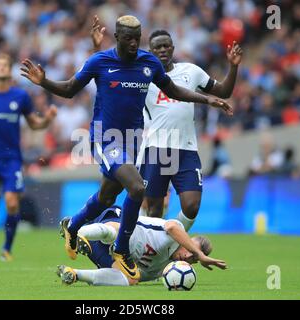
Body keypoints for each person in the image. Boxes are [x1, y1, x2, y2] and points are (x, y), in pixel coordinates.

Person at [20, 15, 232, 280]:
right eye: (128, 38)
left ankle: (73, 226)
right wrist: (44, 81)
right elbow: (70, 89)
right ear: (117, 38)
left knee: (107, 197)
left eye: (137, 38)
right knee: (137, 187)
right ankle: (122, 249)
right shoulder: (100, 61)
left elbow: (175, 91)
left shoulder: (149, 62)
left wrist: (207, 100)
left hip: (133, 139)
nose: (134, 43)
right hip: (106, 138)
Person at [91, 16, 242, 230]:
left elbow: (224, 91)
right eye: (157, 47)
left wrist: (233, 67)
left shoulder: (191, 71)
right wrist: (97, 47)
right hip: (156, 148)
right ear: (150, 51)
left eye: (166, 46)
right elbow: (106, 73)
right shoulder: (143, 74)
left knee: (191, 206)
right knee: (154, 209)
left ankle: (168, 243)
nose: (162, 50)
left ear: (172, 48)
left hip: (186, 148)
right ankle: (144, 249)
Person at [0, 53, 57, 261]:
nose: (0, 68)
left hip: (11, 159)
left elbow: (34, 123)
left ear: (9, 70)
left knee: (12, 203)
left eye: (4, 65)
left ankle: (6, 249)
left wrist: (48, 119)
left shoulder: (20, 97)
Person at [57, 205, 227, 286]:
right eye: (191, 250)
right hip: (113, 222)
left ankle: (74, 274)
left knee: (132, 278)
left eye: (193, 259)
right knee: (119, 232)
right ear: (188, 241)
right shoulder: (176, 233)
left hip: (105, 251)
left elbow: (137, 276)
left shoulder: (162, 270)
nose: (188, 256)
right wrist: (200, 254)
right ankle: (77, 232)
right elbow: (171, 226)